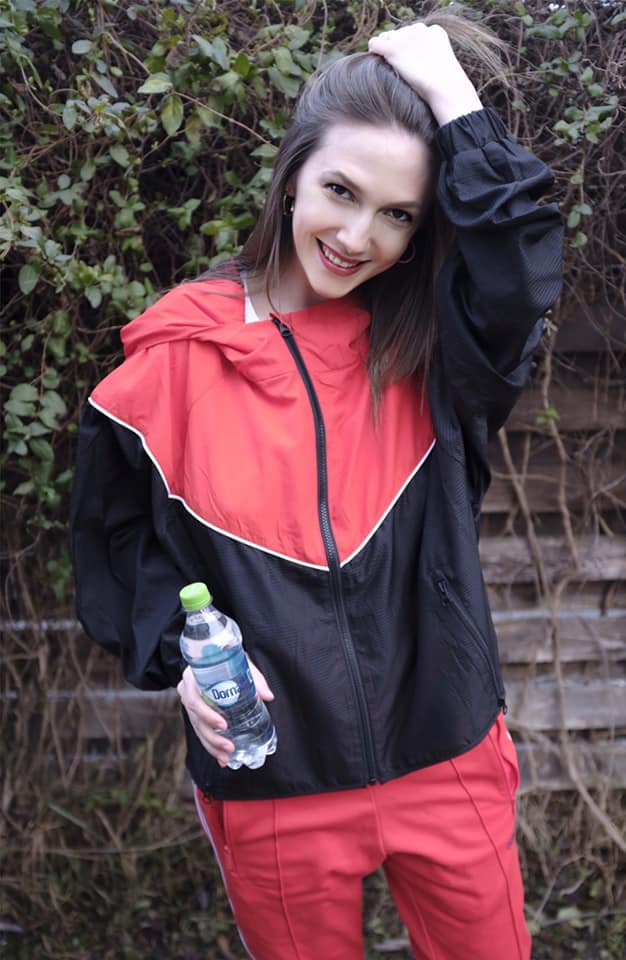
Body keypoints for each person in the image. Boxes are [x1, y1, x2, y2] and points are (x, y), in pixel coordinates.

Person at [70, 11, 563, 960]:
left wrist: (452, 93)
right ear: (293, 171)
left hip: (449, 759)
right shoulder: (163, 368)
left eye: (398, 214)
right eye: (341, 190)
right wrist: (183, 662)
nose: (356, 235)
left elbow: (519, 267)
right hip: (272, 786)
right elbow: (122, 549)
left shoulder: (439, 353)